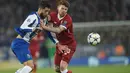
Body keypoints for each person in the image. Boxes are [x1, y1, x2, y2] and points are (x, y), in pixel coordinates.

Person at [10, 1, 51, 73]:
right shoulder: (33, 17)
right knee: (31, 66)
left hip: (24, 44)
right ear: (40, 9)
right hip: (20, 43)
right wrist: (33, 29)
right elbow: (22, 28)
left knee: (28, 68)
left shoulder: (40, 20)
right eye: (46, 11)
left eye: (48, 11)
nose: (47, 13)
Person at [41, 0, 77, 73]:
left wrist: (44, 27)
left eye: (66, 9)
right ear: (58, 8)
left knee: (62, 67)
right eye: (62, 8)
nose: (64, 10)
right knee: (57, 69)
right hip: (60, 44)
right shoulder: (53, 15)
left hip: (69, 45)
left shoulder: (68, 19)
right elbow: (50, 27)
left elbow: (58, 30)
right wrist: (44, 19)